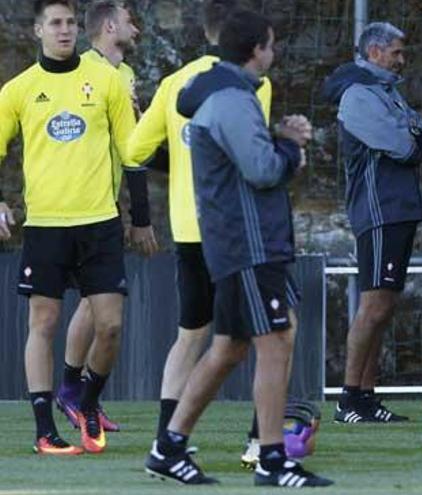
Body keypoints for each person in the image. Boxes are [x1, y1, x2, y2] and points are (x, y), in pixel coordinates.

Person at [144, 9, 331, 487]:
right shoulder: (230, 99)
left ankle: (169, 446)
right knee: (273, 342)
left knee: (231, 348)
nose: (275, 52)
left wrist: (280, 141)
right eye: (271, 44)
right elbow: (263, 170)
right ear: (256, 50)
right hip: (246, 244)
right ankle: (271, 458)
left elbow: (247, 160)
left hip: (243, 242)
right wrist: (289, 145)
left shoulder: (228, 95)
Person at [0, 0, 155, 455]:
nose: (64, 30)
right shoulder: (18, 90)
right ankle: (45, 431)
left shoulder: (107, 80)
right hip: (46, 225)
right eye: (55, 23)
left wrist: (140, 216)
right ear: (38, 31)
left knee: (109, 325)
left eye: (70, 22)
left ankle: (86, 403)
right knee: (43, 322)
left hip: (100, 221)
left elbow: (132, 151)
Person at [126, 0, 273, 469]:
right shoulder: (251, 83)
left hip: (189, 227)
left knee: (191, 335)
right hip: (231, 227)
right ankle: (259, 440)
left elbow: (134, 149)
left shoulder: (174, 83)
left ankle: (167, 437)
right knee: (264, 334)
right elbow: (255, 152)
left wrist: (179, 167)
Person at [320, 22, 422, 423]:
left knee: (384, 306)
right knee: (373, 305)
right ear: (374, 52)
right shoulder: (358, 97)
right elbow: (405, 145)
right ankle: (349, 399)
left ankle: (367, 397)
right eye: (397, 53)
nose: (402, 60)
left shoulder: (387, 92)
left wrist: (415, 134)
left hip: (399, 209)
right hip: (379, 211)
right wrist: (413, 135)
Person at [56, 0, 142, 435]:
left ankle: (81, 395)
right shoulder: (81, 70)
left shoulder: (124, 75)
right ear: (110, 25)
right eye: (130, 21)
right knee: (96, 305)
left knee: (97, 305)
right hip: (77, 209)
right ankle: (73, 392)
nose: (137, 29)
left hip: (107, 205)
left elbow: (131, 147)